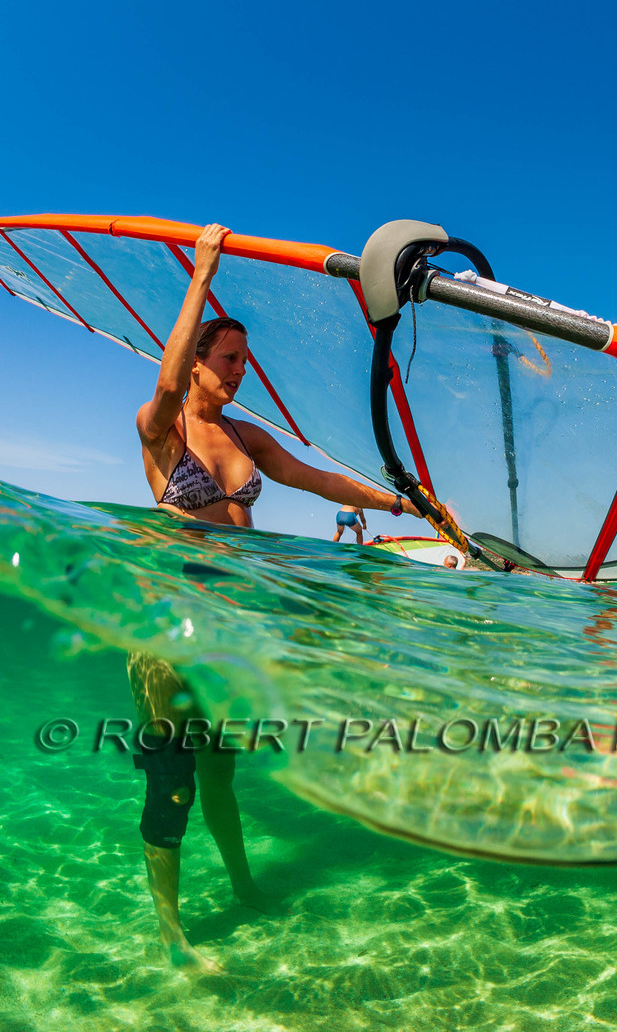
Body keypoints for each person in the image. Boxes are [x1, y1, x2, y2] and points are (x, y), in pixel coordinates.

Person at [130, 223, 421, 970]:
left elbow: (313, 480)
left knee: (221, 773)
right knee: (174, 784)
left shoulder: (246, 438)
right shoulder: (162, 431)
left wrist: (397, 505)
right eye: (228, 360)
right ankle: (172, 934)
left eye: (245, 362)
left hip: (232, 616)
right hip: (171, 621)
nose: (239, 372)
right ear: (197, 363)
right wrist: (201, 274)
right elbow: (163, 387)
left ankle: (242, 884)